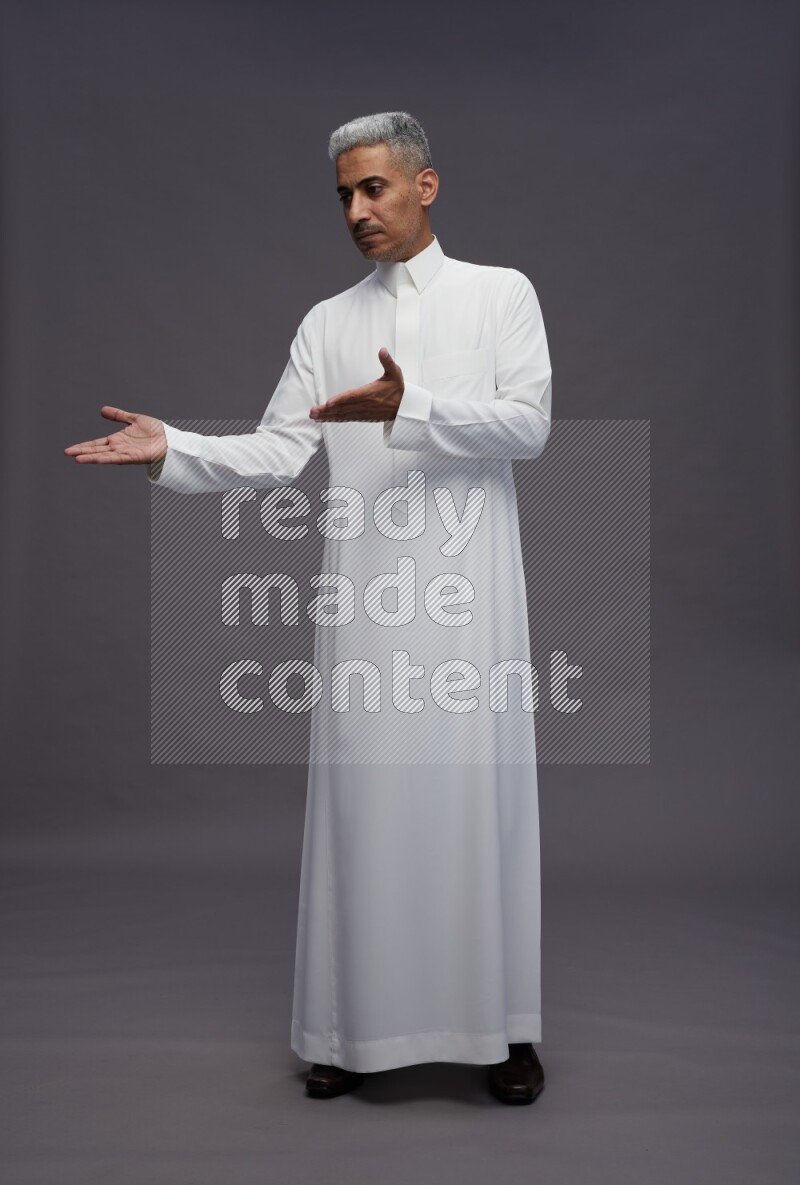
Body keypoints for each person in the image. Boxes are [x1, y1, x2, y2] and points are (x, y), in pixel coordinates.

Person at [65, 111, 553, 1105]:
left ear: (424, 186)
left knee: (475, 804)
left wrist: (408, 409)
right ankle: (346, 1028)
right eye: (342, 195)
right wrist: (177, 450)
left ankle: (505, 1031)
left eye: (373, 188)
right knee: (363, 809)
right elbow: (277, 449)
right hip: (367, 604)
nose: (356, 209)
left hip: (470, 611)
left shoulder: (500, 296)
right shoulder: (328, 323)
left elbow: (528, 424)